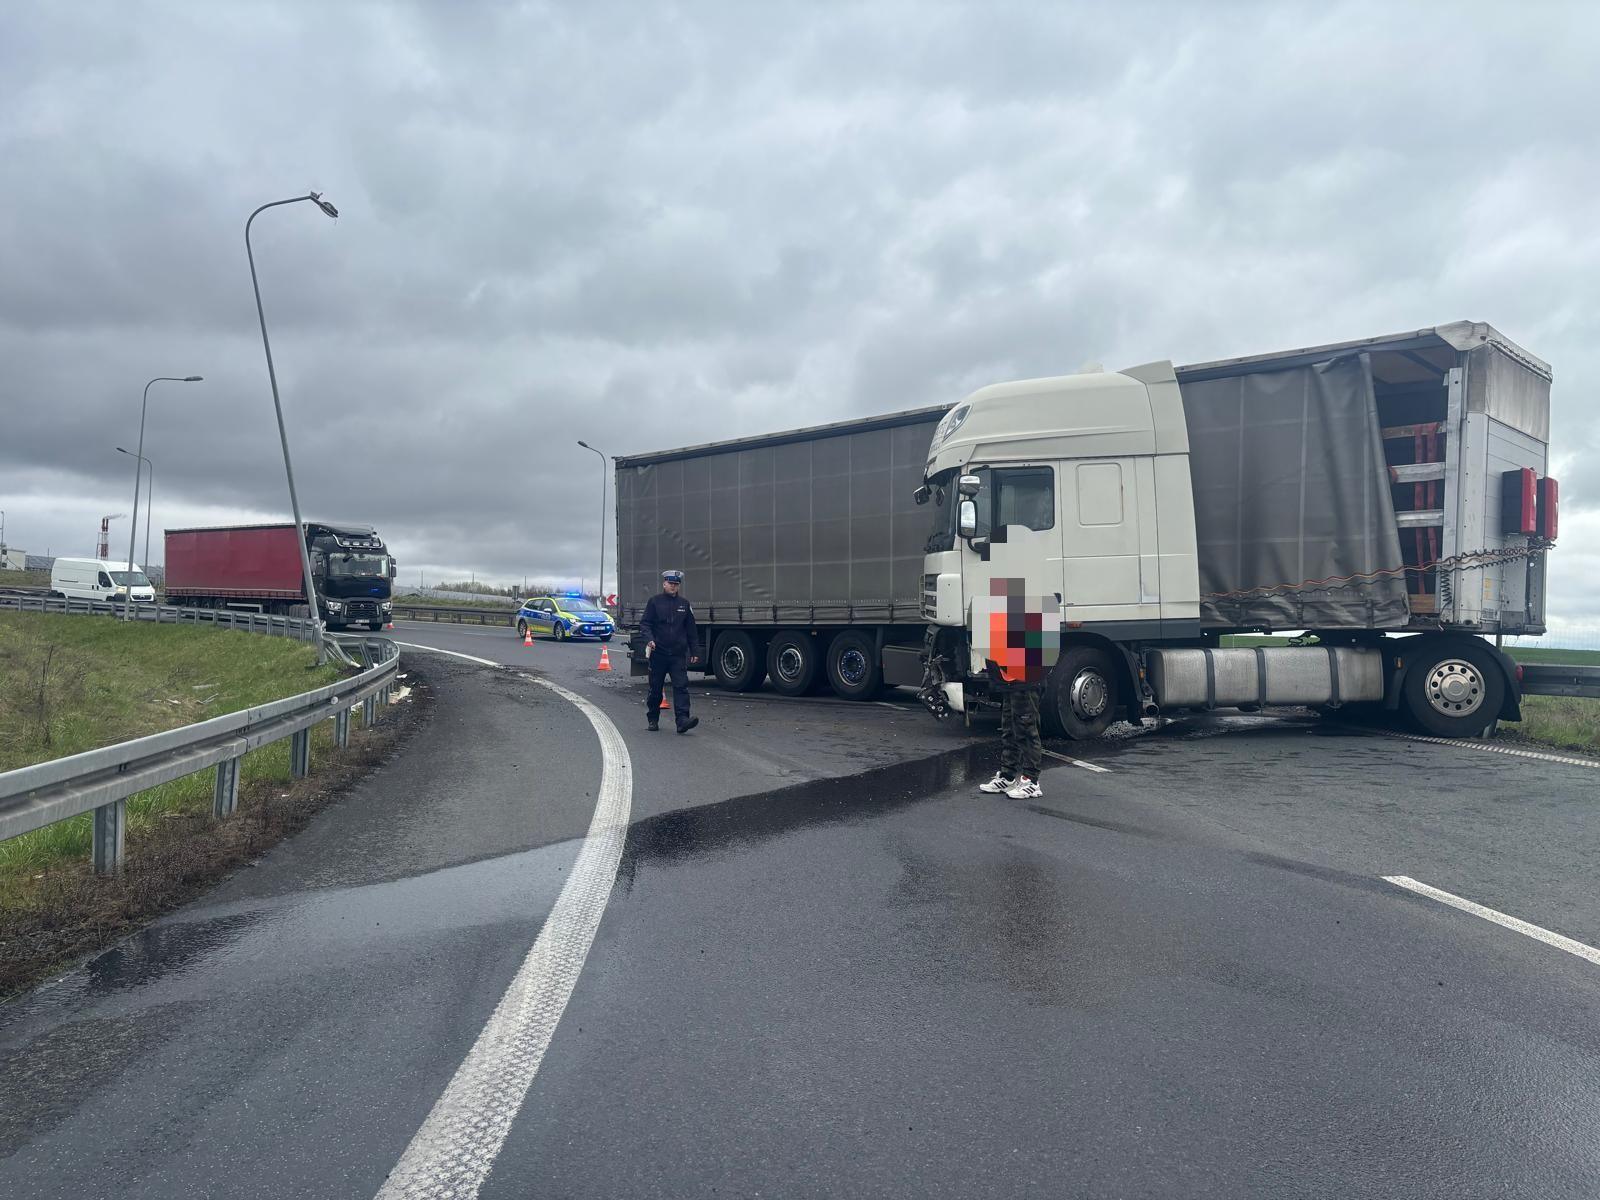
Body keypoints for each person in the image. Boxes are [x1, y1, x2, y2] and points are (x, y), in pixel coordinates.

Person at [640, 568, 701, 733]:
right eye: (670, 583)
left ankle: (682, 721)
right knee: (655, 689)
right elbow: (645, 624)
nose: (673, 587)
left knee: (681, 687)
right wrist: (649, 640)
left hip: (677, 654)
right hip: (658, 653)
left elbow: (691, 631)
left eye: (676, 584)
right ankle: (653, 718)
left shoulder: (684, 604)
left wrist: (695, 651)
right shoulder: (654, 602)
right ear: (664, 584)